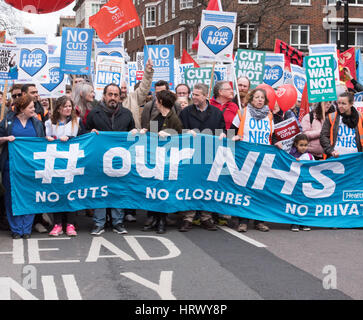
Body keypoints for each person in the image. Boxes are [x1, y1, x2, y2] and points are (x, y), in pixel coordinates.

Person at [86, 83, 136, 236]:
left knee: (118, 190)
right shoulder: (94, 113)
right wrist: (90, 131)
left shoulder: (127, 114)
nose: (113, 98)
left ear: (120, 97)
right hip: (99, 160)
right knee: (101, 190)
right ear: (104, 96)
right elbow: (84, 133)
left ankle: (118, 222)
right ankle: (99, 222)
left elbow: (131, 132)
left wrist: (134, 132)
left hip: (120, 161)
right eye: (110, 94)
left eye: (116, 95)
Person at [178, 83, 226, 232]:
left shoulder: (217, 113)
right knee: (190, 185)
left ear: (206, 96)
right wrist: (186, 132)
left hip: (209, 155)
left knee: (208, 185)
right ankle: (188, 218)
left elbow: (222, 130)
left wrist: (223, 134)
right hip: (190, 155)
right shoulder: (185, 112)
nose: (194, 97)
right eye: (193, 94)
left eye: (197, 94)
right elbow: (179, 130)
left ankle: (206, 217)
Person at [0, 94, 45, 239]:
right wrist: (6, 139)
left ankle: (26, 228)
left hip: (30, 166)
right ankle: (16, 228)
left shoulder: (37, 123)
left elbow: (42, 142)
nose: (34, 109)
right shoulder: (8, 121)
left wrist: (49, 139)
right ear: (22, 108)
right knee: (12, 197)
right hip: (11, 166)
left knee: (29, 195)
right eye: (31, 107)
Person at [230, 88, 274, 233]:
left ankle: (259, 221)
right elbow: (231, 130)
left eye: (262, 98)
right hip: (246, 157)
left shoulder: (269, 116)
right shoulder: (243, 113)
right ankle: (243, 221)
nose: (260, 100)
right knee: (245, 189)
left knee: (260, 190)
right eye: (257, 97)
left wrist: (276, 144)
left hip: (263, 159)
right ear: (251, 99)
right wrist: (234, 137)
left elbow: (271, 137)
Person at [140, 90, 183, 234]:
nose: (155, 102)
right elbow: (151, 139)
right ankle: (153, 217)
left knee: (163, 189)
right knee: (153, 188)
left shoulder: (174, 119)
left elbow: (180, 139)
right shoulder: (156, 118)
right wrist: (145, 132)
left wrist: (170, 135)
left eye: (157, 100)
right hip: (155, 159)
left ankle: (162, 220)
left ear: (162, 102)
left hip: (168, 160)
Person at [45, 96, 86, 237]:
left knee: (71, 194)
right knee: (57, 193)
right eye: (65, 106)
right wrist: (49, 139)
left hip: (72, 164)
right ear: (58, 108)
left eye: (70, 106)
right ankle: (57, 224)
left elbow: (84, 140)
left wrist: (70, 138)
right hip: (55, 164)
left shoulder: (77, 122)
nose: (68, 109)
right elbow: (43, 140)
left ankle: (70, 223)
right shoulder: (49, 123)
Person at [320, 92, 363, 158]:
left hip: (355, 157)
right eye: (339, 103)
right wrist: (331, 151)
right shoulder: (331, 117)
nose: (340, 106)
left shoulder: (360, 116)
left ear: (351, 104)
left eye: (343, 103)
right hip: (336, 157)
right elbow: (323, 136)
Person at [288, 133, 313, 232]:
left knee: (305, 202)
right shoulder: (290, 155)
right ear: (295, 144)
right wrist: (294, 161)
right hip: (294, 183)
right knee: (295, 202)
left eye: (305, 145)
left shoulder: (309, 156)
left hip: (305, 183)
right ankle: (294, 222)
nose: (303, 148)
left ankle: (304, 222)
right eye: (301, 145)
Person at [121, 58, 154, 129]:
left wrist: (148, 71)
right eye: (121, 88)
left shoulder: (132, 98)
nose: (123, 90)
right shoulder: (107, 104)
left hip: (134, 136)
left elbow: (143, 88)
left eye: (125, 88)